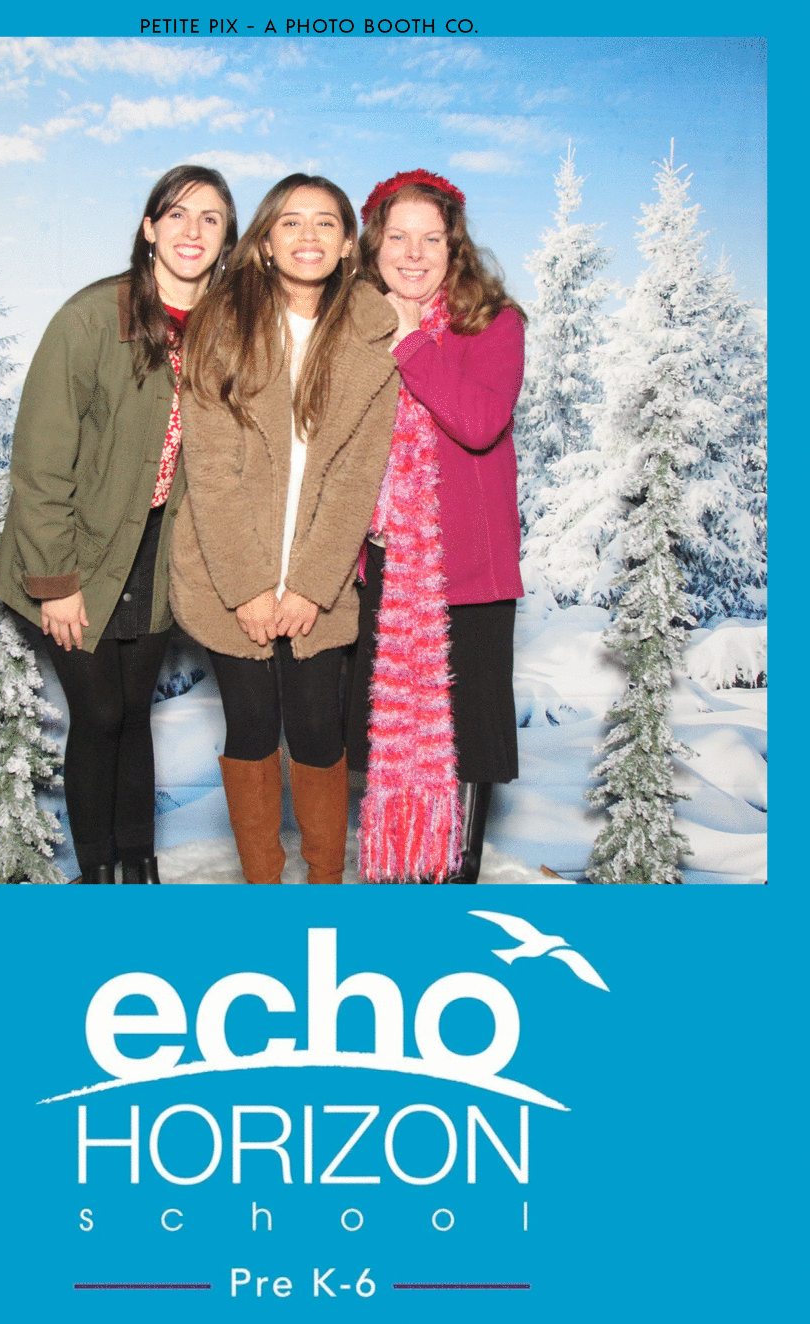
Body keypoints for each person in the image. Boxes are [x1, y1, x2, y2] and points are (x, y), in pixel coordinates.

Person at [0, 165, 238, 884]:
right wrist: (55, 582)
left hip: (159, 551)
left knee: (132, 713)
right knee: (99, 713)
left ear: (227, 239)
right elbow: (40, 464)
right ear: (149, 227)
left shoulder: (225, 331)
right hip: (74, 549)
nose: (192, 230)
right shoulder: (94, 317)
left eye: (211, 218)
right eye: (177, 214)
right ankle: (98, 876)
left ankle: (141, 867)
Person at [171, 174, 400, 884]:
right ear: (265, 242)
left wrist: (310, 586)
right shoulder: (222, 325)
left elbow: (356, 478)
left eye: (325, 222)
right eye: (291, 222)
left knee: (317, 729)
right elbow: (210, 470)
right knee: (249, 725)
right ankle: (263, 892)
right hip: (226, 572)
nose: (308, 236)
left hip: (317, 581)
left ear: (348, 243)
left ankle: (324, 889)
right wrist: (248, 587)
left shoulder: (374, 336)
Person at [345, 169, 526, 884]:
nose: (414, 254)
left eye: (431, 238)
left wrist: (411, 341)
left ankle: (458, 876)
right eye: (398, 237)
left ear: (456, 248)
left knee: (471, 736)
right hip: (384, 569)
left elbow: (479, 423)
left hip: (468, 570)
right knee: (390, 733)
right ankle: (397, 871)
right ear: (374, 245)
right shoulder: (351, 327)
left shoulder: (494, 325)